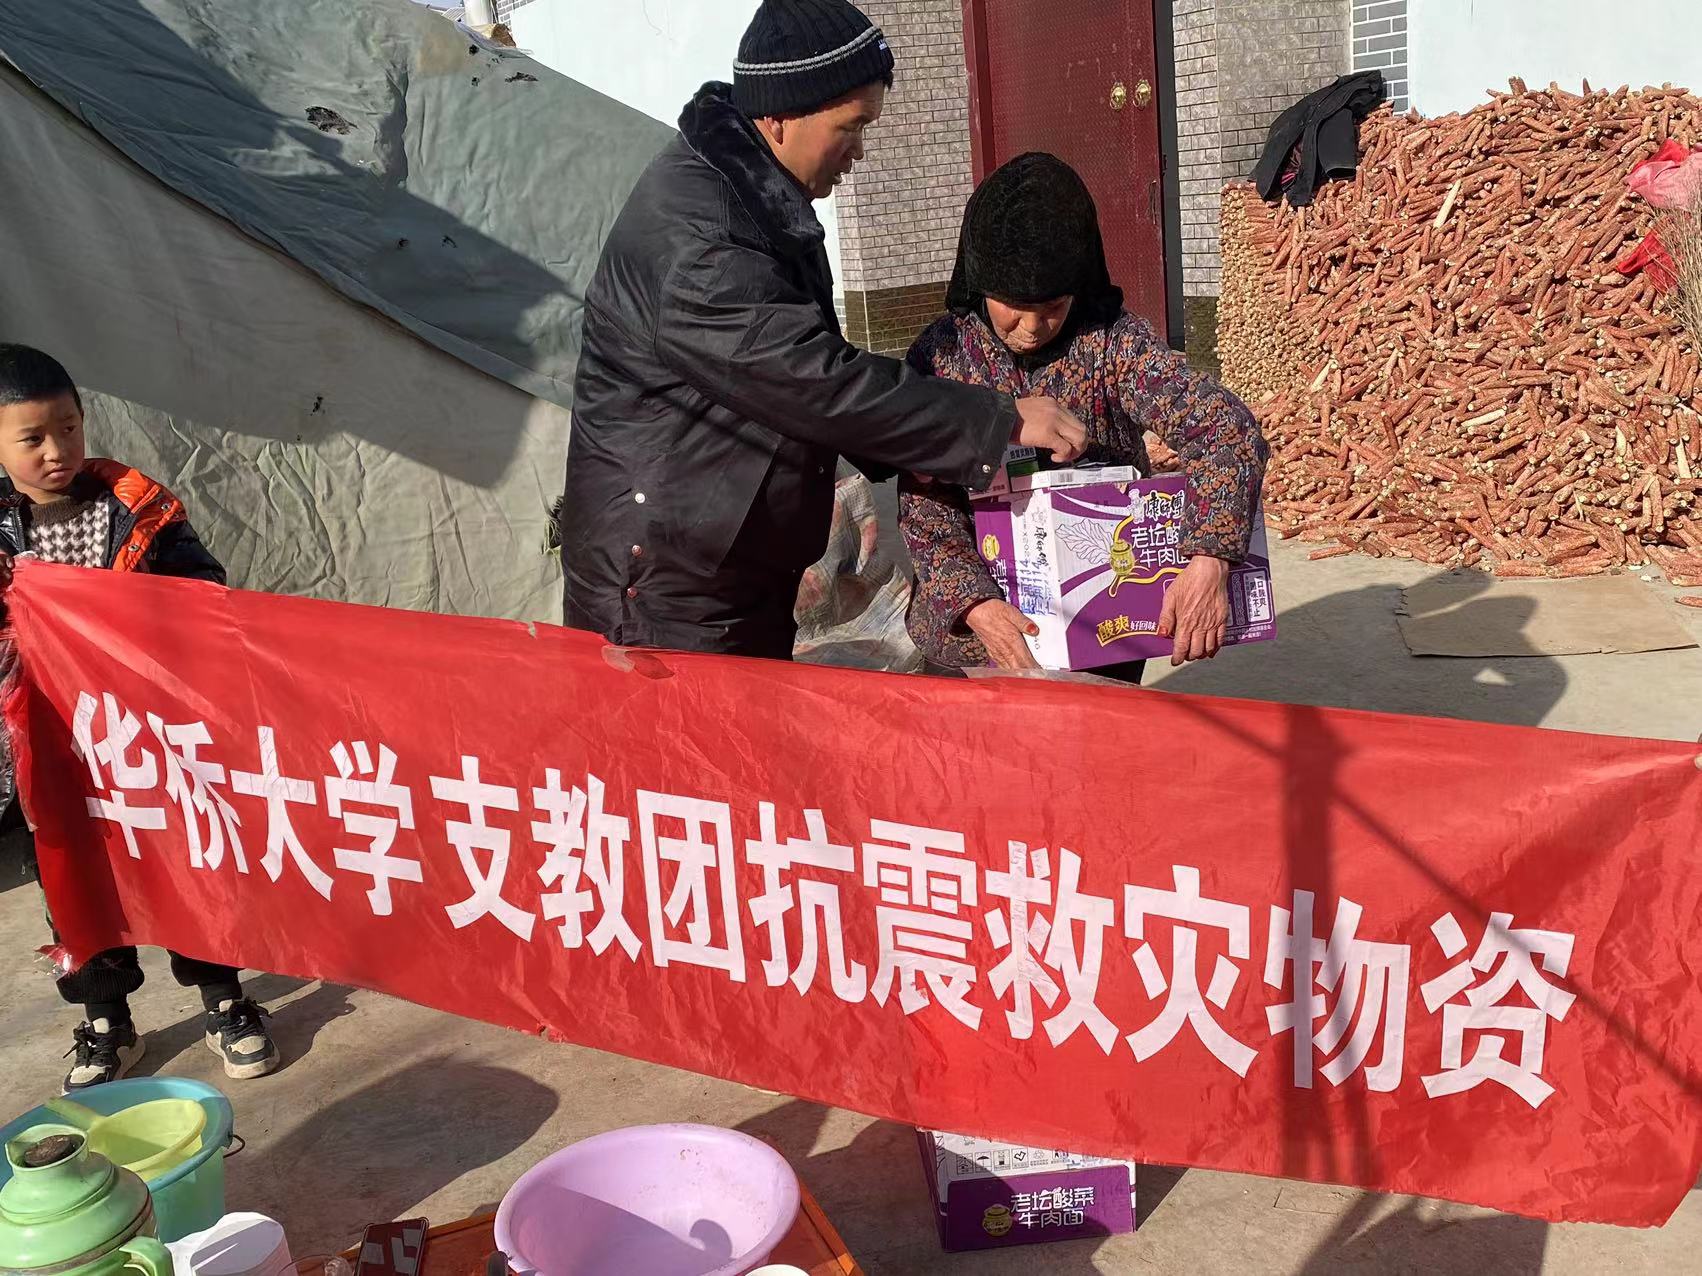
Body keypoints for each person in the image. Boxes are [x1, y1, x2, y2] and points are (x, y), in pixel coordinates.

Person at [557, 0, 1088, 660]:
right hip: (665, 593)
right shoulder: (700, 240)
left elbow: (811, 370)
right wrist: (996, 422)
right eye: (851, 126)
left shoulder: (759, 198)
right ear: (781, 115)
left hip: (723, 566)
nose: (859, 151)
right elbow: (811, 381)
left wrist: (921, 445)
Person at [0, 343, 282, 1092]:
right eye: (32, 438)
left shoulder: (139, 511)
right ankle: (107, 1024)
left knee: (185, 865)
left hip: (147, 735)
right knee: (77, 883)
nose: (57, 450)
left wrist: (149, 623)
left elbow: (204, 592)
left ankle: (224, 999)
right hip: (51, 747)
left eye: (69, 428)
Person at [899, 153, 1269, 679]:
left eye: (1052, 307)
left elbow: (1228, 433)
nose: (1031, 328)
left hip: (1101, 627)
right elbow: (924, 502)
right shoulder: (943, 356)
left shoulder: (1114, 345)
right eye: (1012, 305)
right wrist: (974, 605)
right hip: (976, 636)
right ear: (978, 282)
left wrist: (1210, 557)